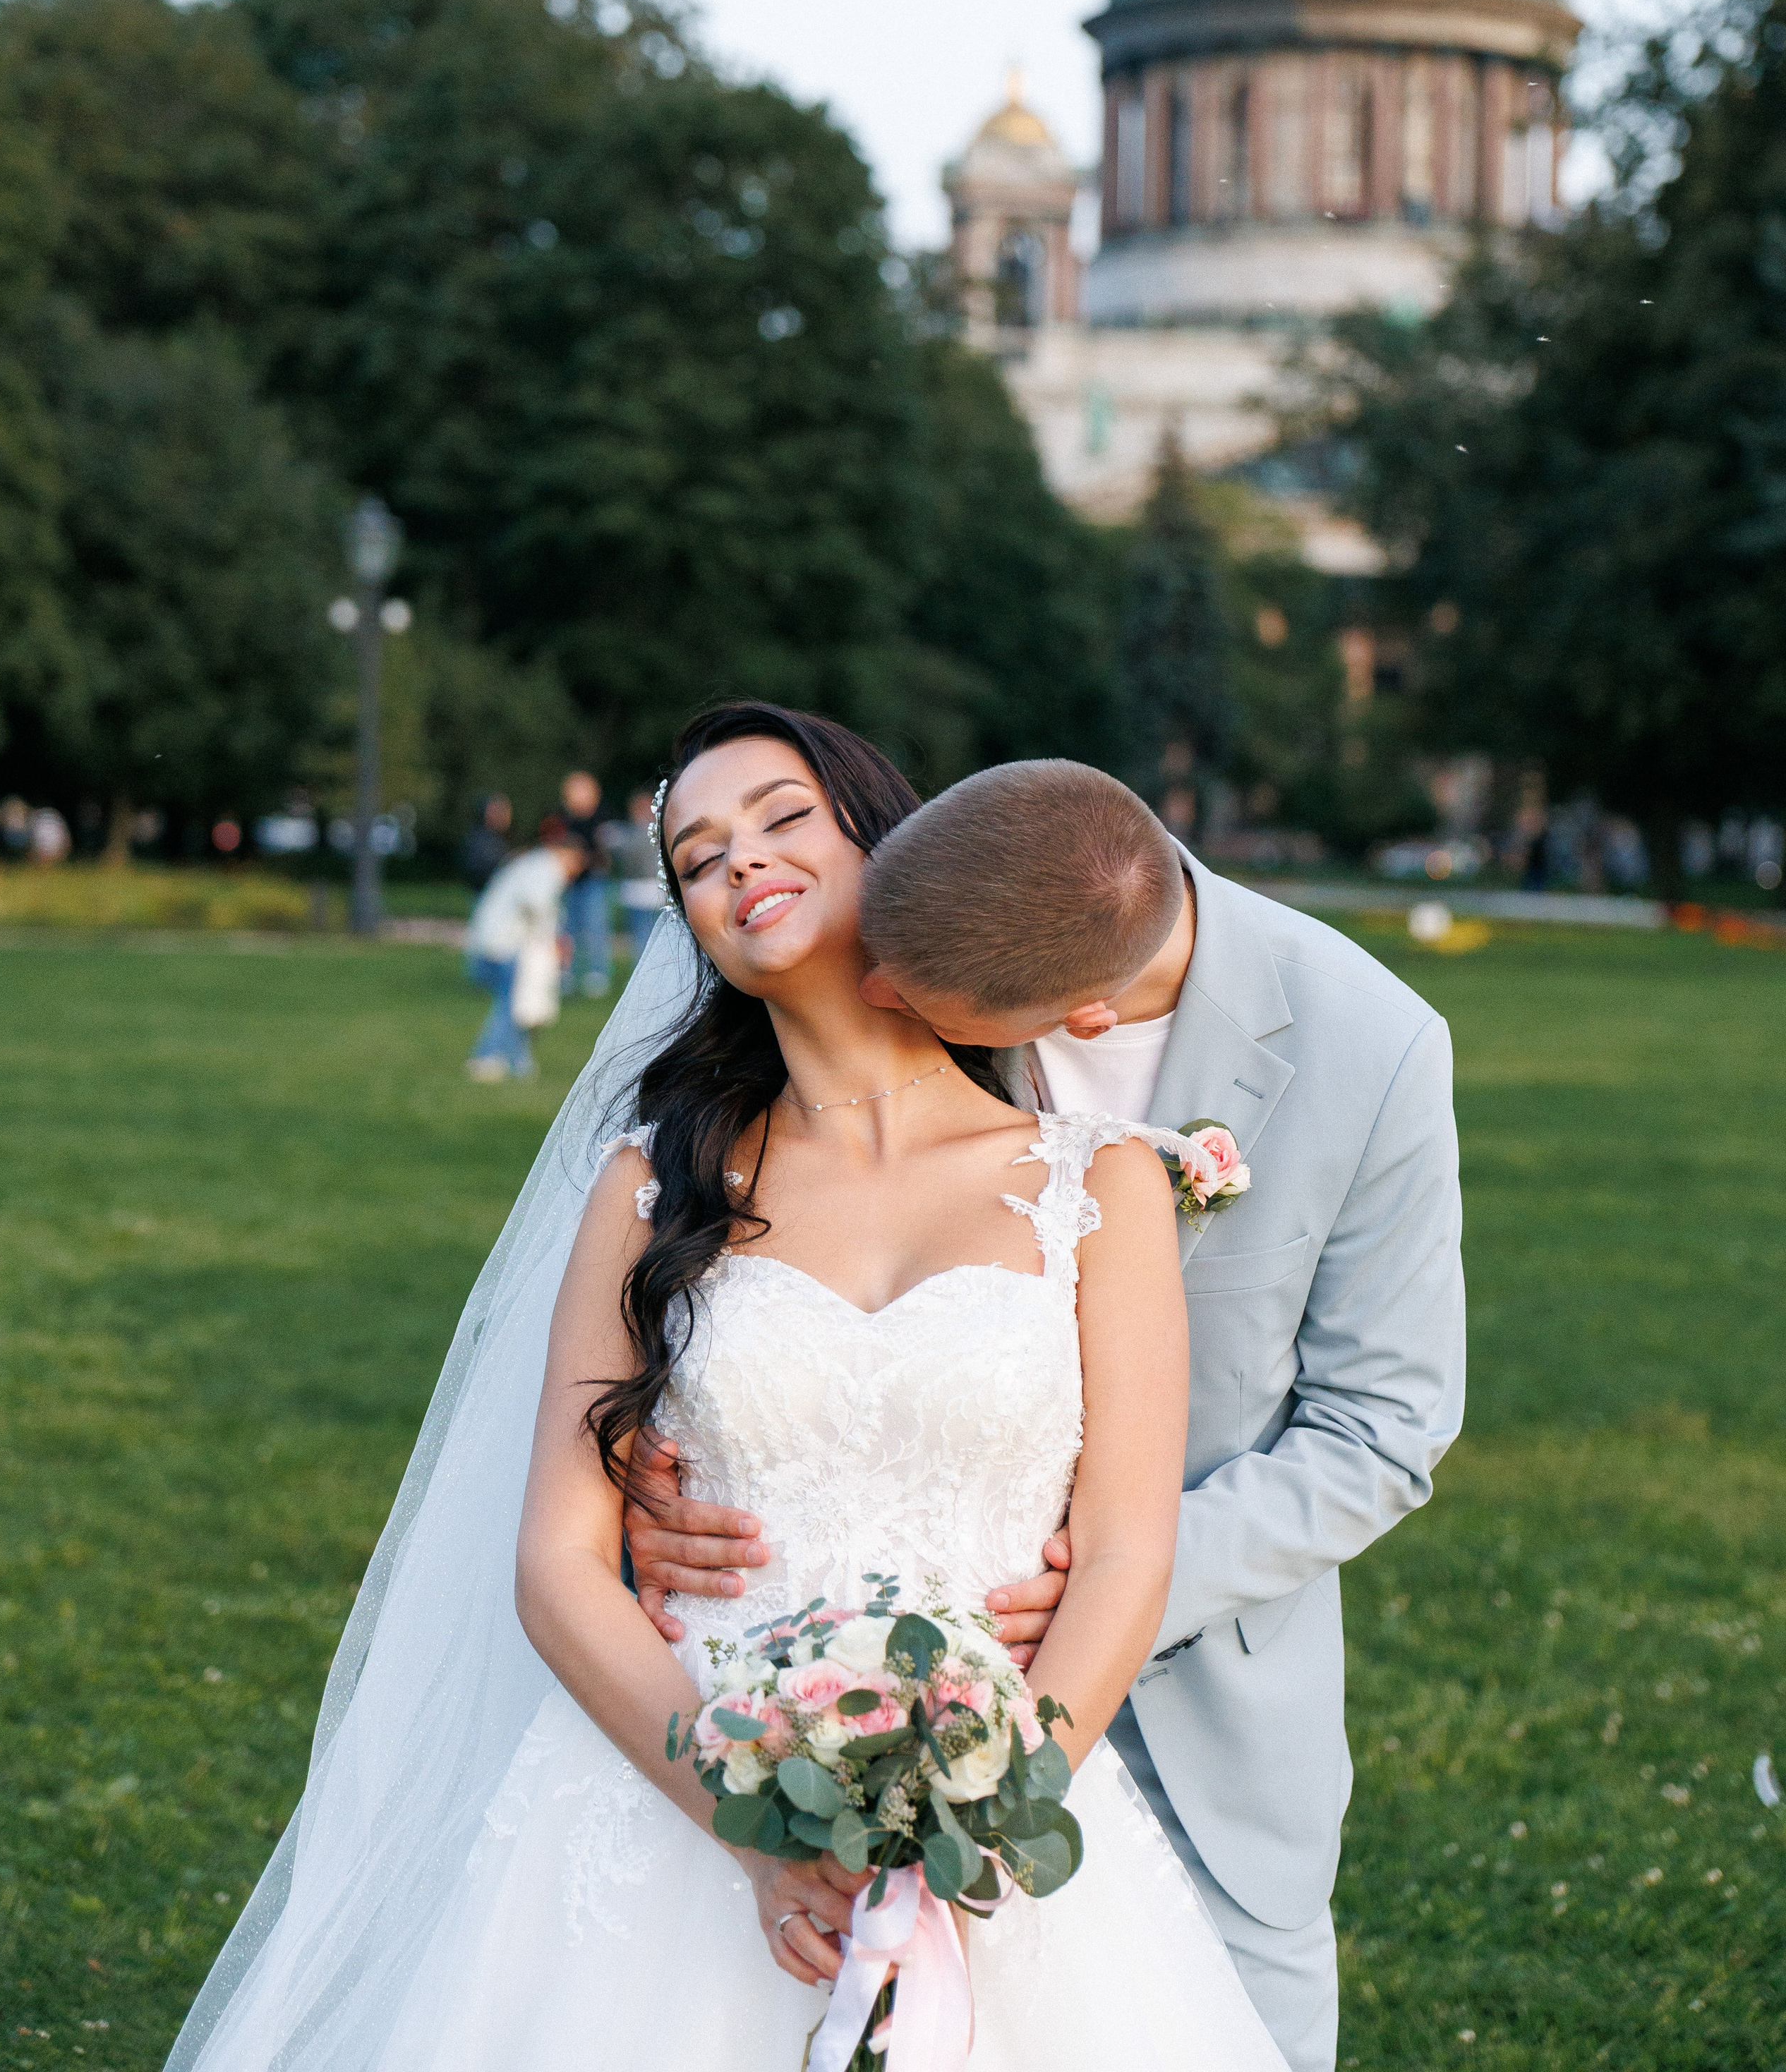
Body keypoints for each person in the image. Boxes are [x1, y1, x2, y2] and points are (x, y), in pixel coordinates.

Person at [166, 705, 1286, 2072]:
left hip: (998, 1800)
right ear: (689, 923)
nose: (736, 861)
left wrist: (978, 1810)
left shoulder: (1094, 1178)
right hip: (685, 1792)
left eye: (778, 816)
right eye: (696, 857)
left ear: (887, 840)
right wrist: (751, 1830)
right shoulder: (648, 1192)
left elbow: (1124, 1548)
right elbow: (557, 1563)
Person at [627, 755, 1464, 2072]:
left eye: (915, 997)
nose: (877, 991)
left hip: (1204, 1705)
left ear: (1068, 1020)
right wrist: (674, 1460)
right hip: (827, 1675)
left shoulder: (1375, 1046)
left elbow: (1385, 1426)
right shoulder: (977, 873)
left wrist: (1115, 1583)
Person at [461, 818, 595, 1082]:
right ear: (566, 854)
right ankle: (486, 1057)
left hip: (496, 937)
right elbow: (536, 904)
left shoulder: (533, 863)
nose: (575, 872)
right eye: (576, 863)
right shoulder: (546, 868)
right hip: (503, 942)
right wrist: (552, 941)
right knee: (511, 1003)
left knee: (517, 1002)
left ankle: (518, 1061)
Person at [559, 770, 613, 996]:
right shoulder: (564, 819)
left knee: (595, 927)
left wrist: (585, 857)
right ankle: (565, 973)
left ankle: (597, 973)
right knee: (566, 929)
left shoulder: (601, 818)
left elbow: (606, 854)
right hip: (569, 882)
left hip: (593, 880)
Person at [601, 784, 666, 958]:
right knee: (641, 939)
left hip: (654, 890)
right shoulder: (628, 832)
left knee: (657, 936)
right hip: (635, 892)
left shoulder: (658, 830)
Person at [459, 794, 512, 895]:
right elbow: (482, 870)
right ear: (488, 813)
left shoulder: (493, 839)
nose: (506, 816)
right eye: (500, 811)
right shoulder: (481, 841)